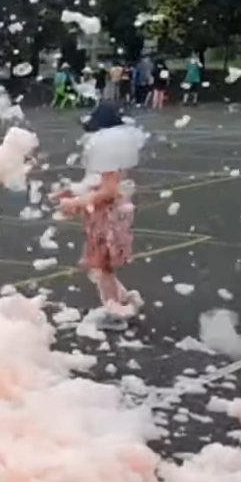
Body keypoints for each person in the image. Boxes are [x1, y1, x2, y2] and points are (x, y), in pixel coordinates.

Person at [55, 99, 146, 328]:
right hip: (109, 215)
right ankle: (123, 299)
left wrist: (75, 202)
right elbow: (99, 184)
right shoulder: (114, 152)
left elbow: (107, 192)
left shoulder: (109, 152)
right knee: (100, 264)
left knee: (102, 265)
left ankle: (114, 313)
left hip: (108, 217)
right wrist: (74, 192)